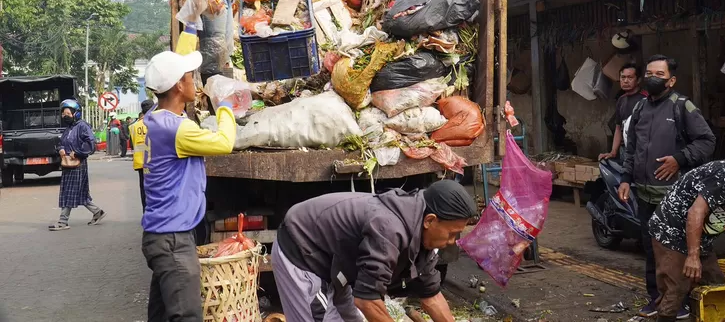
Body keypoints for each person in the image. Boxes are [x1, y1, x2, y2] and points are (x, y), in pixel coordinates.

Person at [273, 179, 476, 322]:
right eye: (452, 233)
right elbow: (366, 299)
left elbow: (430, 295)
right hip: (303, 249)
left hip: (339, 263)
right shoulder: (389, 230)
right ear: (430, 220)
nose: (452, 242)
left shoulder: (423, 232)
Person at [141, 47, 236, 321]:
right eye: (190, 76)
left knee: (161, 314)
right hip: (172, 238)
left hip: (161, 235)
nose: (194, 81)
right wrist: (225, 107)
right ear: (179, 85)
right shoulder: (177, 129)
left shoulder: (155, 120)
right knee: (187, 315)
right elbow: (224, 143)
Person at [618, 54, 716, 318]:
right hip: (644, 193)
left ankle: (678, 301)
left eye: (659, 75)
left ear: (671, 80)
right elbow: (632, 148)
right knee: (650, 248)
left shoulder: (682, 107)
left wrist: (679, 159)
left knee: (673, 250)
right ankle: (656, 297)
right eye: (649, 73)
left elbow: (707, 141)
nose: (652, 78)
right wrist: (626, 177)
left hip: (674, 196)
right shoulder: (639, 108)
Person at [649, 150, 725, 322]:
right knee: (677, 288)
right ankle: (664, 316)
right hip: (671, 231)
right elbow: (695, 212)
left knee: (716, 283)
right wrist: (693, 256)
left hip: (700, 237)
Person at [49, 99, 106, 231]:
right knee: (80, 193)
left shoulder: (82, 126)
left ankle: (63, 222)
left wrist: (79, 152)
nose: (65, 116)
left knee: (69, 192)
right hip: (68, 164)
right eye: (63, 114)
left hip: (77, 164)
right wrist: (61, 149)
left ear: (76, 113)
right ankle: (98, 212)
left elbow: (90, 144)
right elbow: (62, 142)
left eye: (68, 113)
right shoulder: (69, 128)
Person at [599, 62, 646, 161]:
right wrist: (613, 152)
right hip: (624, 150)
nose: (625, 81)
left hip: (642, 151)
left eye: (630, 77)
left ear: (638, 80)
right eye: (623, 77)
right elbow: (618, 128)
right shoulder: (621, 100)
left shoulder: (646, 99)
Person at [129, 101, 154, 212]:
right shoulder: (155, 123)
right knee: (155, 189)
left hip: (140, 162)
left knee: (144, 190)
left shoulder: (133, 126)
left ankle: (146, 212)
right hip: (154, 161)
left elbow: (132, 144)